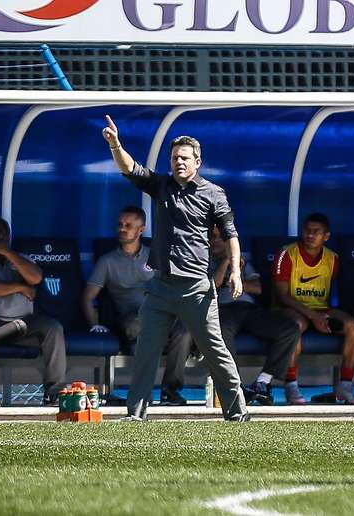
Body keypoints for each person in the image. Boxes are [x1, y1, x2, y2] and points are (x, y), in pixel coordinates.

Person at [102, 116, 249, 421]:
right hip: (160, 286)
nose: (179, 162)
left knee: (215, 351)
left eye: (184, 158)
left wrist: (235, 270)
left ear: (198, 162)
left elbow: (231, 234)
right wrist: (116, 144)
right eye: (174, 158)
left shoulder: (213, 193)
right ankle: (136, 414)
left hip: (196, 287)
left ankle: (237, 412)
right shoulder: (160, 185)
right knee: (146, 351)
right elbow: (129, 167)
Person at [82, 206, 192, 406]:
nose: (122, 229)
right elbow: (88, 297)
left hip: (162, 315)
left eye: (128, 225)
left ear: (141, 229)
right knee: (139, 325)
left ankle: (170, 392)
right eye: (120, 225)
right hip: (131, 320)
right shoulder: (107, 261)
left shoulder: (155, 255)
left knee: (185, 331)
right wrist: (93, 324)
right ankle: (142, 391)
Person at [0, 217, 66, 406]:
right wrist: (20, 287)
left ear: (9, 237)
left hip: (21, 325)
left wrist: (8, 253)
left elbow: (35, 278)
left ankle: (55, 391)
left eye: (2, 233)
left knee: (53, 327)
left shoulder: (21, 259)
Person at [273, 213, 354, 405]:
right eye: (307, 230)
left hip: (320, 309)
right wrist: (314, 316)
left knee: (353, 326)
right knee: (295, 324)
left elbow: (334, 298)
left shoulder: (333, 259)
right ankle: (291, 386)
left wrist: (322, 315)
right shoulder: (287, 254)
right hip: (290, 308)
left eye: (316, 232)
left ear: (326, 236)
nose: (310, 235)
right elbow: (282, 296)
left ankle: (345, 386)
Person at [209, 227, 299, 405]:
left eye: (223, 237)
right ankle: (235, 386)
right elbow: (214, 285)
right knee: (219, 334)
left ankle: (263, 382)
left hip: (248, 308)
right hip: (222, 309)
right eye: (214, 237)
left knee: (290, 329)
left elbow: (257, 287)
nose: (218, 241)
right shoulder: (204, 260)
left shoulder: (243, 262)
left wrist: (236, 278)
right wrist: (227, 261)